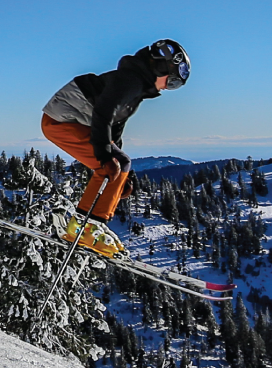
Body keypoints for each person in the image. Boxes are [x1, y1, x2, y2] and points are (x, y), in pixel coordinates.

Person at [40, 39, 190, 256]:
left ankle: (93, 225)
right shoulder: (130, 81)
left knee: (120, 163)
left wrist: (123, 179)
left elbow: (114, 130)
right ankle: (84, 227)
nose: (168, 88)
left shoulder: (134, 87)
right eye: (172, 82)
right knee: (113, 163)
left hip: (66, 120)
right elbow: (104, 112)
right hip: (61, 121)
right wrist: (105, 156)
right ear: (161, 67)